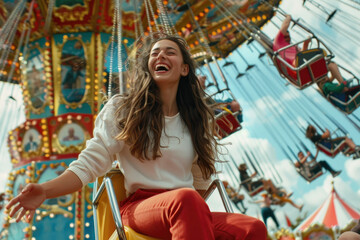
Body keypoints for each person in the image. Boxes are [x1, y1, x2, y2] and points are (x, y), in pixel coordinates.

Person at [6, 33, 267, 240]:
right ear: (148, 66)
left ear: (185, 69)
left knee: (252, 228)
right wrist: (44, 190)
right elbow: (89, 165)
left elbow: (199, 179)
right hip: (142, 208)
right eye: (155, 53)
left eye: (169, 52)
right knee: (184, 200)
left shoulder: (195, 120)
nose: (160, 55)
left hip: (186, 209)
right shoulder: (124, 109)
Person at [273, 14, 345, 85]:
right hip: (297, 70)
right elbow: (285, 24)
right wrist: (288, 17)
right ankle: (332, 84)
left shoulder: (294, 47)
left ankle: (343, 85)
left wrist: (305, 44)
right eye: (286, 34)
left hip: (306, 70)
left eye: (288, 35)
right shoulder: (278, 42)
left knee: (331, 65)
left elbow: (303, 54)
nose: (288, 35)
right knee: (300, 58)